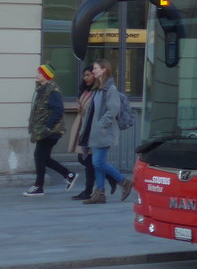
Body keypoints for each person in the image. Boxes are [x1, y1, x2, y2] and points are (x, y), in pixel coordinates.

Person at [79, 59, 133, 204]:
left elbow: (112, 109)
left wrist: (100, 125)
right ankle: (100, 193)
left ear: (104, 70)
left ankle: (124, 182)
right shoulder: (98, 88)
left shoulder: (110, 89)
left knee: (97, 162)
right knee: (98, 162)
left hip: (103, 132)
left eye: (96, 68)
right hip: (96, 133)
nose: (94, 70)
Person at [24, 64, 76, 196]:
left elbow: (58, 110)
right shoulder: (42, 89)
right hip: (44, 130)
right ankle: (68, 175)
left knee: (39, 156)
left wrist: (48, 126)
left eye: (40, 74)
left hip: (50, 131)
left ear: (46, 76)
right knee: (43, 158)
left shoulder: (52, 90)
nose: (37, 75)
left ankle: (39, 186)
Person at [66, 67, 100, 201]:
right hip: (82, 126)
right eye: (84, 75)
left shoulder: (98, 91)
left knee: (88, 160)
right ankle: (114, 179)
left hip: (91, 129)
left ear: (95, 75)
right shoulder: (85, 90)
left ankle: (88, 190)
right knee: (85, 159)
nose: (85, 78)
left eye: (88, 75)